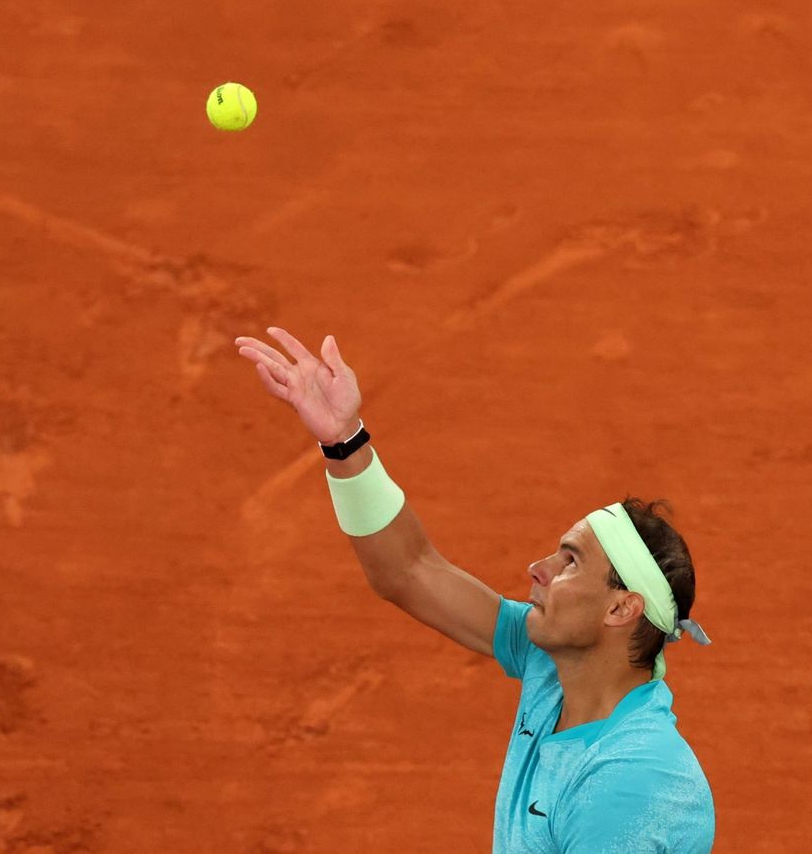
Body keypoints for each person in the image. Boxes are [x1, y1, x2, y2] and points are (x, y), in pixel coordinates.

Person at [235, 327, 716, 852]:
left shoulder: (632, 783)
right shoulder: (554, 670)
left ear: (622, 607)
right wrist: (343, 440)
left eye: (570, 562)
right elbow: (409, 571)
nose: (537, 568)